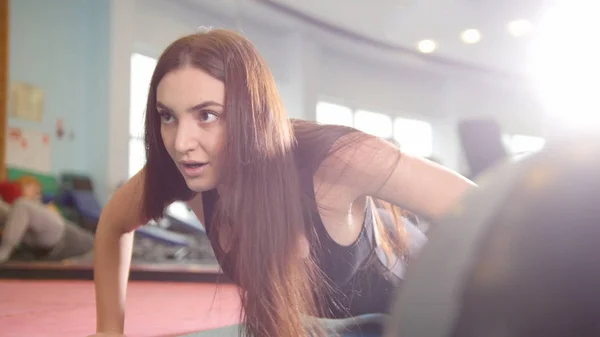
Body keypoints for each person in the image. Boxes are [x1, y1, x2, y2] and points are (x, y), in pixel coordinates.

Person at [91, 28, 475, 337]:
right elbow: (112, 225)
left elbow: (490, 208)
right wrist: (110, 329)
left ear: (250, 113)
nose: (180, 142)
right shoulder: (183, 173)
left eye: (206, 115)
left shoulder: (339, 160)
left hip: (428, 311)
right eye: (168, 116)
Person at [0, 176, 95, 263]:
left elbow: (99, 252)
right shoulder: (17, 209)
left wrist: (74, 263)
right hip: (44, 245)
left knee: (22, 206)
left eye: (38, 190)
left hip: (60, 240)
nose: (35, 191)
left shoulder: (32, 207)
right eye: (28, 185)